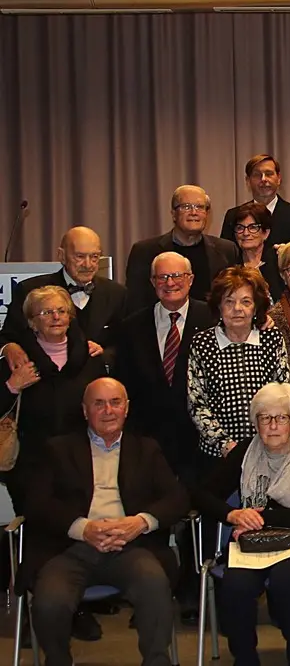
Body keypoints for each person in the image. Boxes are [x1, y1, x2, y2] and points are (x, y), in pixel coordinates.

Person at [22, 378, 187, 666]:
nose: (108, 410)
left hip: (131, 547)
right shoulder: (58, 449)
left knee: (155, 587)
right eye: (99, 403)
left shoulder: (146, 449)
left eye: (115, 402)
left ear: (127, 408)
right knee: (50, 603)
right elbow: (36, 503)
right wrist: (83, 528)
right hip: (71, 549)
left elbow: (177, 499)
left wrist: (140, 522)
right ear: (85, 411)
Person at [193, 383, 290, 666]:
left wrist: (263, 517)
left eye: (281, 417)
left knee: (287, 581)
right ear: (255, 423)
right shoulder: (244, 452)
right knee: (235, 585)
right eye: (264, 418)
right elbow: (201, 495)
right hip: (250, 544)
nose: (272, 425)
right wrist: (233, 515)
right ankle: (244, 659)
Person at [110, 252, 215, 623]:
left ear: (189, 279)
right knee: (150, 519)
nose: (169, 284)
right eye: (161, 278)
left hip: (198, 439)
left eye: (177, 277)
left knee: (196, 520)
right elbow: (124, 386)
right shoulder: (132, 326)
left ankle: (192, 594)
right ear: (152, 283)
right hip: (147, 442)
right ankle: (152, 597)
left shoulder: (211, 316)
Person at [0, 286, 109, 514]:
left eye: (61, 310)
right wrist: (12, 386)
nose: (56, 317)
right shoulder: (15, 363)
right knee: (38, 536)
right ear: (31, 322)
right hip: (30, 466)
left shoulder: (90, 357)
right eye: (46, 312)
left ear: (70, 317)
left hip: (84, 464)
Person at [186, 266, 289, 469]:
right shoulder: (202, 343)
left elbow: (283, 393)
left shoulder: (272, 338)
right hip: (217, 456)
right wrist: (226, 446)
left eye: (246, 301)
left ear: (256, 307)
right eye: (229, 302)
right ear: (219, 306)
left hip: (267, 452)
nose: (237, 309)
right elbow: (196, 403)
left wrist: (267, 441)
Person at [1, 226, 126, 355]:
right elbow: (8, 337)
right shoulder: (30, 290)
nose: (88, 265)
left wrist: (104, 353)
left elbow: (125, 343)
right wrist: (10, 348)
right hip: (45, 373)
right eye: (80, 257)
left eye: (94, 257)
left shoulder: (117, 293)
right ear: (62, 256)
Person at [124, 185, 240, 311]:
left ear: (207, 214)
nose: (194, 213)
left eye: (200, 207)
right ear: (174, 214)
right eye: (186, 207)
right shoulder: (144, 251)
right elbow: (135, 303)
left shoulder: (226, 250)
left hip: (212, 326)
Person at [220, 154, 290, 248]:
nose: (263, 179)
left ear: (279, 178)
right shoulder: (232, 215)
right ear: (248, 181)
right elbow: (226, 255)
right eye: (257, 175)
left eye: (269, 174)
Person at [230, 201, 285, 302]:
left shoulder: (278, 260)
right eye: (240, 228)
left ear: (266, 233)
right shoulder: (230, 265)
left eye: (253, 227)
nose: (245, 233)